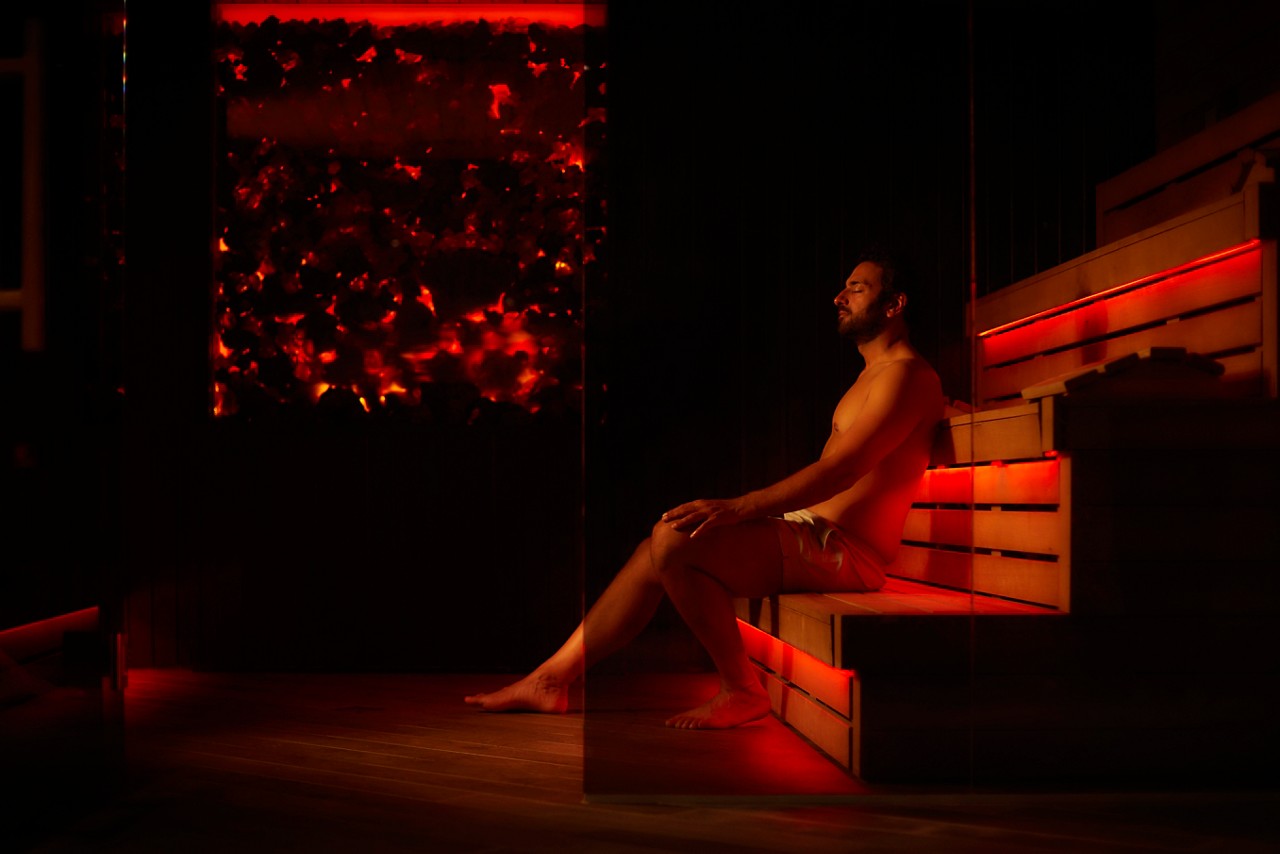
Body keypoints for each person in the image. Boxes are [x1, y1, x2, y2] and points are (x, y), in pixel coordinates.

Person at [465, 250, 945, 729]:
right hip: (817, 536)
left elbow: (842, 471)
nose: (839, 297)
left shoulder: (906, 375)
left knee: (674, 541)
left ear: (894, 304)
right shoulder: (881, 375)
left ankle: (742, 690)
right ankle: (550, 679)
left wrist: (740, 507)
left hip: (847, 553)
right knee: (656, 547)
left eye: (857, 288)